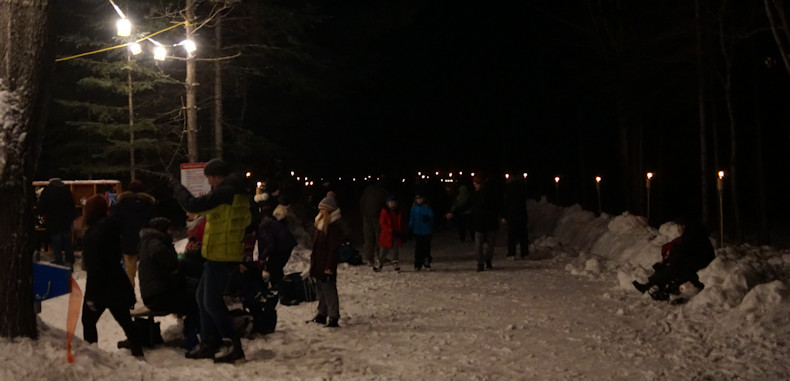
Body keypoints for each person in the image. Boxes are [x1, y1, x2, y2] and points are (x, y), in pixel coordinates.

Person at [172, 158, 252, 363]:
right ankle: (209, 342)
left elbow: (192, 205)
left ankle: (234, 346)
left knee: (211, 302)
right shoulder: (236, 192)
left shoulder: (226, 193)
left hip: (221, 255)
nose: (209, 182)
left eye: (209, 178)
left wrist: (177, 188)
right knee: (202, 298)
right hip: (217, 253)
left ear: (217, 176)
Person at [80, 194, 143, 357]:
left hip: (101, 286)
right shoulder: (110, 227)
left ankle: (92, 354)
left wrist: (91, 296)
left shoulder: (93, 234)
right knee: (124, 319)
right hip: (117, 282)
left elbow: (94, 266)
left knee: (88, 322)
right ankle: (137, 349)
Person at [137, 217, 200, 350]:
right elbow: (170, 263)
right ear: (162, 230)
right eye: (169, 230)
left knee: (195, 291)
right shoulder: (155, 243)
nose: (171, 232)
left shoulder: (150, 242)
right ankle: (193, 340)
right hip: (159, 296)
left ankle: (193, 334)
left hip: (157, 293)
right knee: (196, 299)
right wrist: (176, 268)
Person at [632, 221, 716, 301]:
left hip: (696, 268)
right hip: (697, 265)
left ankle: (651, 287)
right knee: (668, 269)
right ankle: (654, 286)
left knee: (668, 271)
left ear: (684, 226)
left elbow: (680, 256)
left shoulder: (690, 238)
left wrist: (667, 264)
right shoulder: (695, 236)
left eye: (679, 226)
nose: (678, 229)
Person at [446, 173, 501, 272]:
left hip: (489, 223)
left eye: (476, 183)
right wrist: (454, 213)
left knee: (489, 245)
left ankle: (487, 259)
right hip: (480, 223)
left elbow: (498, 206)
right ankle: (480, 263)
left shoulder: (490, 194)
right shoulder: (474, 195)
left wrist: (503, 215)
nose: (474, 185)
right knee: (479, 245)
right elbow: (466, 206)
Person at [111, 179, 156, 288]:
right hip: (146, 240)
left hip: (128, 240)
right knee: (147, 269)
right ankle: (148, 292)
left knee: (129, 270)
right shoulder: (149, 205)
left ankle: (130, 292)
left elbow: (116, 223)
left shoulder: (121, 204)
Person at [307, 196, 343, 328]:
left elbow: (332, 249)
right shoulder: (321, 224)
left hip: (326, 263)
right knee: (321, 289)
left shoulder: (333, 227)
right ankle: (322, 314)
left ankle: (333, 316)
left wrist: (329, 266)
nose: (320, 211)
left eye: (322, 209)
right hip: (319, 262)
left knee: (329, 290)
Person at [37, 178, 76, 267]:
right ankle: (70, 259)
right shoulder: (67, 191)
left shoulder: (47, 192)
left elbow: (42, 207)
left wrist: (40, 213)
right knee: (67, 241)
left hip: (53, 221)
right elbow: (72, 205)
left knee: (56, 242)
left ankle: (58, 260)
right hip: (66, 221)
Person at [359, 181, 387, 265]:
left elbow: (361, 203)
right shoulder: (382, 192)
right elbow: (384, 204)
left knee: (368, 239)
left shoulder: (367, 191)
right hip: (377, 217)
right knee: (379, 237)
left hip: (367, 217)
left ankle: (369, 258)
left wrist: (363, 213)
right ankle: (379, 257)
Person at [375, 195, 404, 272]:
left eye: (394, 203)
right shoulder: (384, 212)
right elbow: (382, 223)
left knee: (395, 250)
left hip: (396, 234)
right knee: (383, 250)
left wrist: (400, 232)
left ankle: (395, 263)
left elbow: (400, 223)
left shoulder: (398, 212)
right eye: (391, 203)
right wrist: (390, 230)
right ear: (387, 203)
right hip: (386, 235)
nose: (393, 204)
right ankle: (379, 264)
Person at [504, 177, 529, 259]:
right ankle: (524, 253)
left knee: (512, 235)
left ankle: (512, 253)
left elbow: (506, 203)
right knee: (523, 235)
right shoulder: (522, 190)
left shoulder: (509, 191)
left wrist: (505, 215)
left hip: (512, 215)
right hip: (522, 214)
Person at [409, 193, 435, 271]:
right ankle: (418, 264)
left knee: (426, 247)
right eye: (417, 199)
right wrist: (410, 227)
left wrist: (428, 217)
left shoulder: (426, 207)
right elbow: (412, 218)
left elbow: (432, 216)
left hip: (426, 231)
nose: (419, 200)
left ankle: (426, 262)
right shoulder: (414, 208)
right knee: (418, 248)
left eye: (420, 199)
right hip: (417, 231)